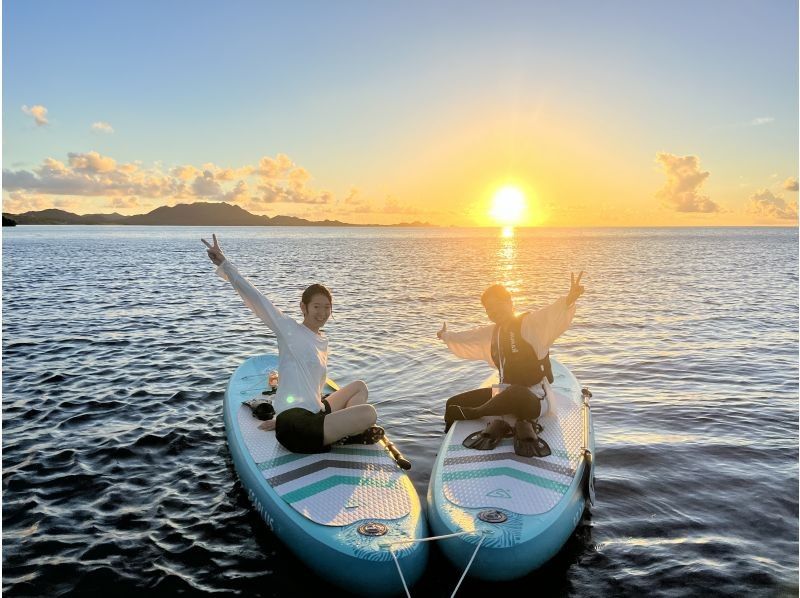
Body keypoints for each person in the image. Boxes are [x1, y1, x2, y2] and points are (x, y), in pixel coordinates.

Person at [202, 234, 383, 454]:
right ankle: (348, 432)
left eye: (327, 307)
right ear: (303, 307)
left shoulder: (321, 340)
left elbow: (309, 390)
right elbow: (257, 299)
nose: (322, 312)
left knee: (359, 387)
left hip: (313, 414)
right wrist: (225, 264)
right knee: (368, 413)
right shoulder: (289, 330)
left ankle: (350, 432)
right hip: (296, 428)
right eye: (317, 306)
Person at [436, 272, 585, 457]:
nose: (493, 312)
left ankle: (474, 412)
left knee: (516, 393)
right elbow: (468, 337)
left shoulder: (530, 324)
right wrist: (445, 335)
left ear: (509, 302)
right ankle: (447, 450)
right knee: (453, 402)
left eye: (497, 305)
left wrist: (569, 299)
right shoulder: (494, 332)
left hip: (533, 399)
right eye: (489, 309)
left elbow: (551, 314)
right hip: (504, 394)